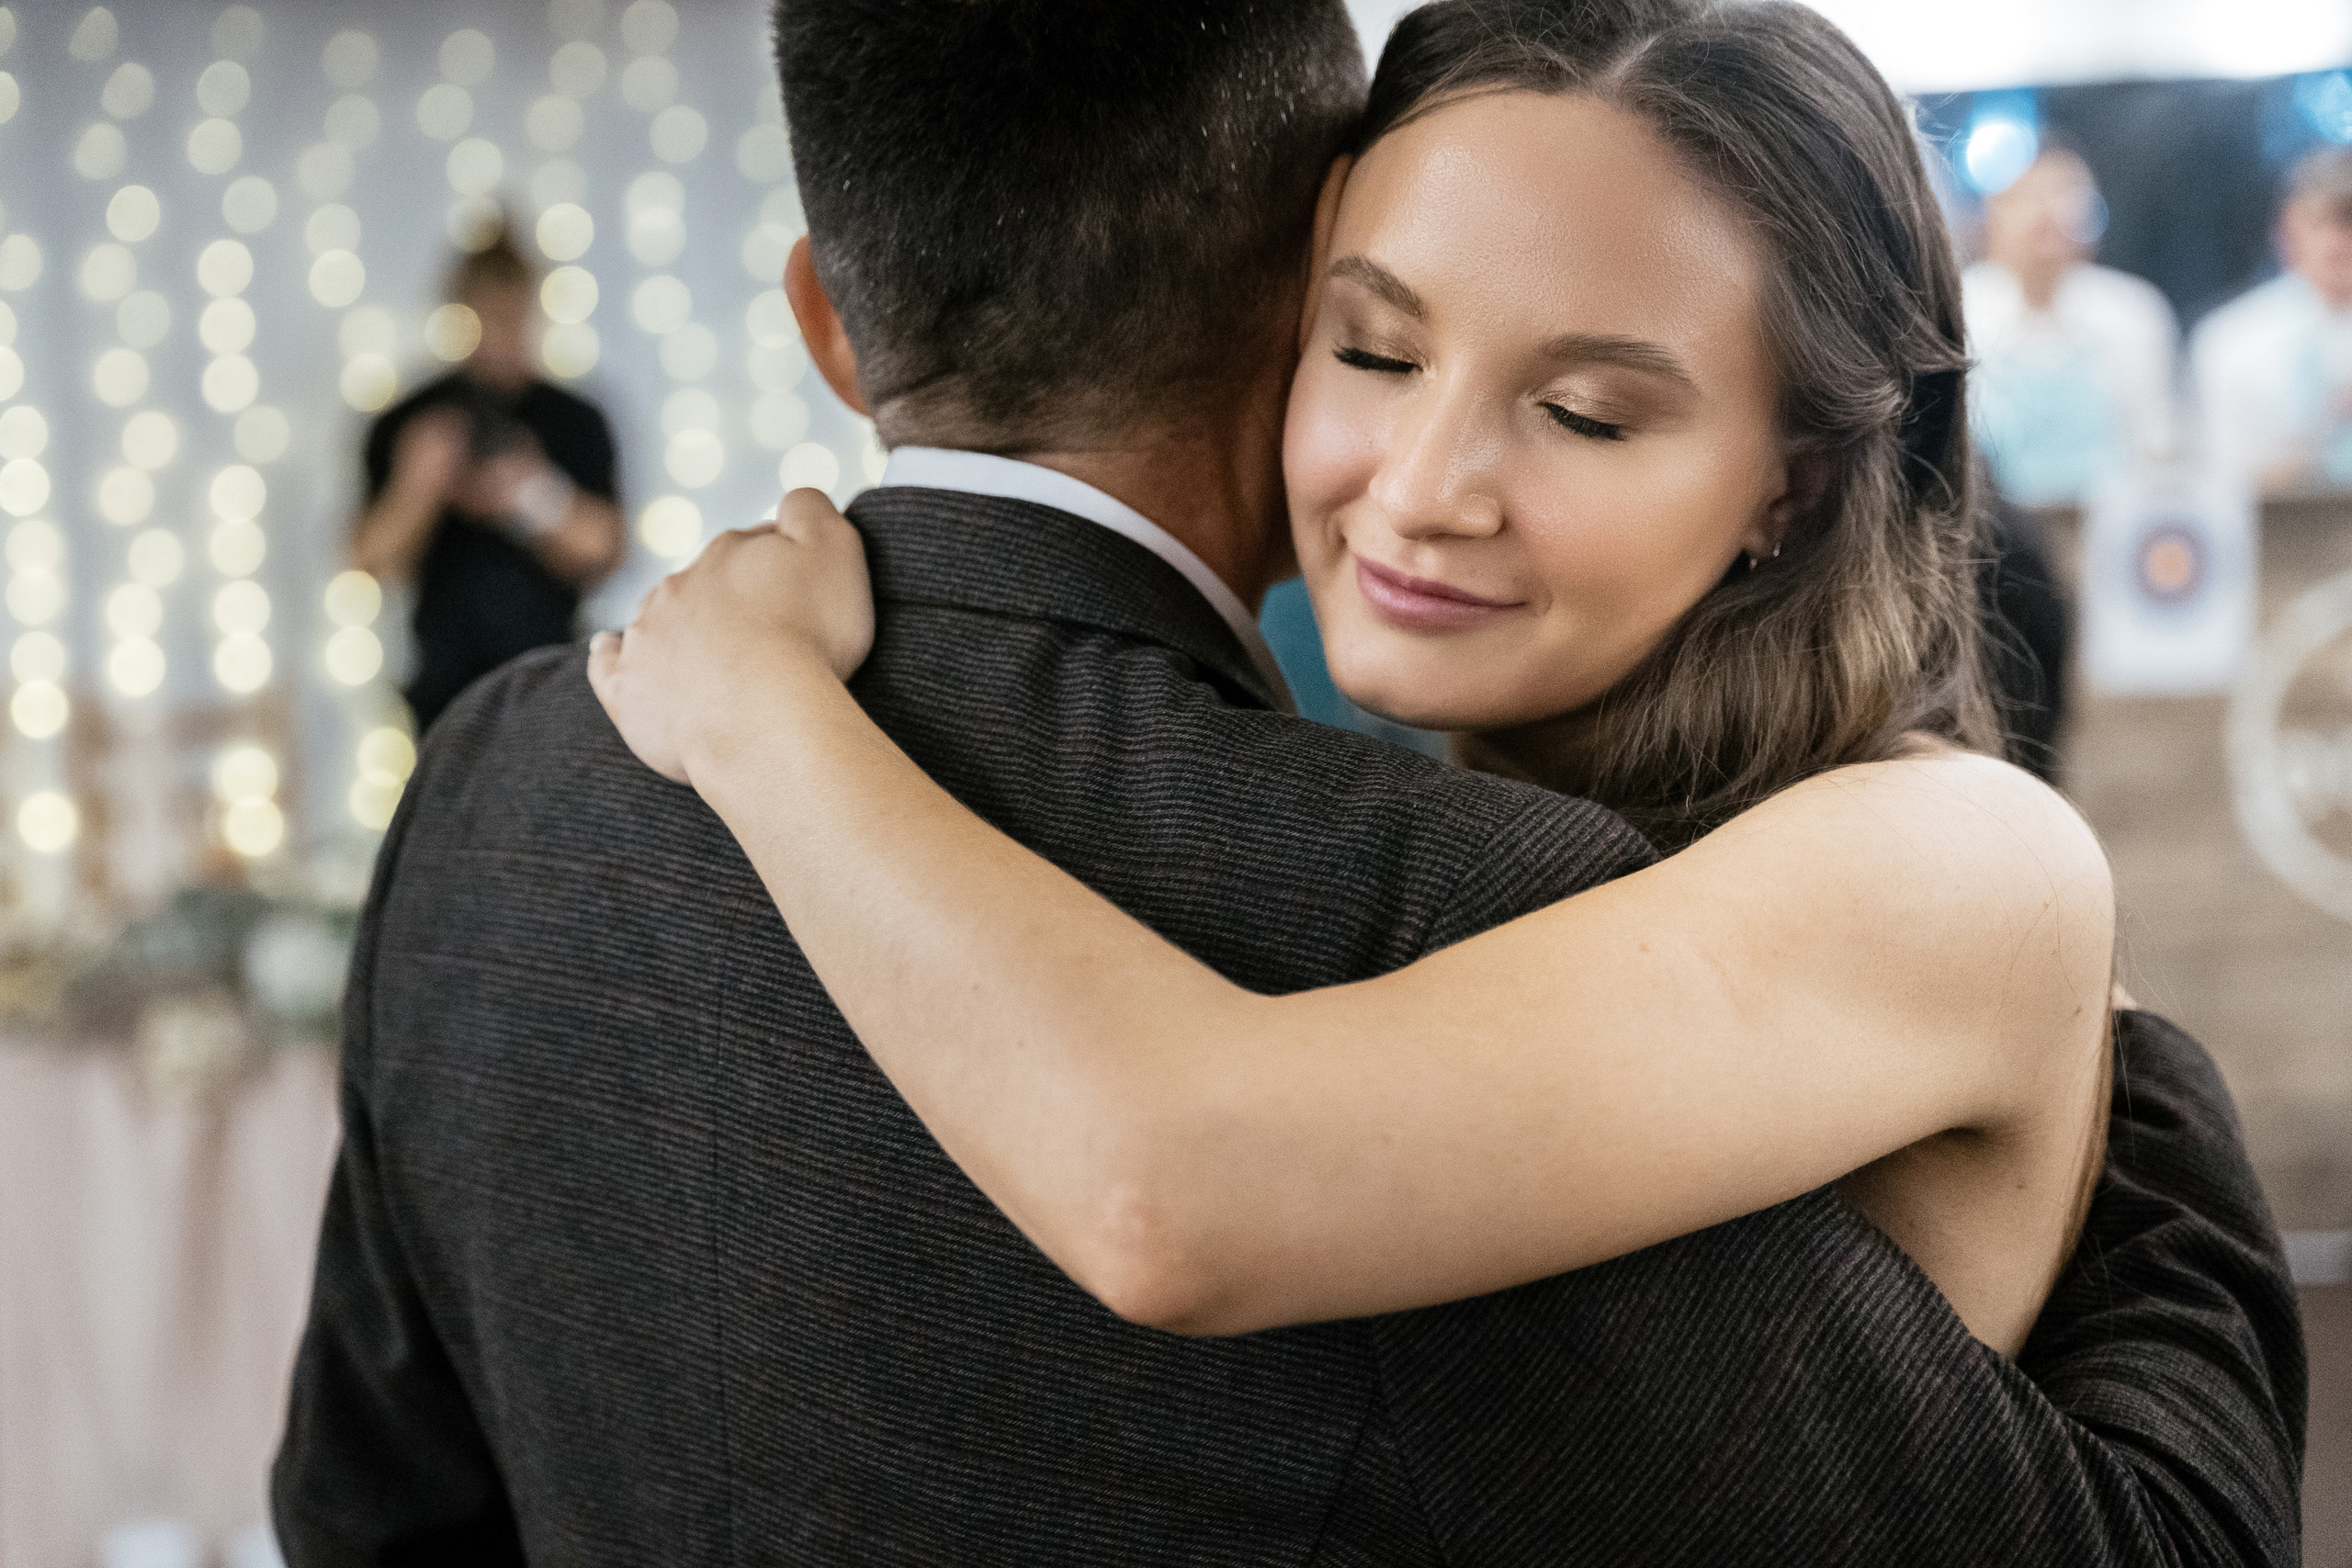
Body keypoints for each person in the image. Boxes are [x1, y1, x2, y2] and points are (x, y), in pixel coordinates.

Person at [277, 3, 2301, 1563]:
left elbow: (1174, 1186)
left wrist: (764, 719)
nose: (1422, 487)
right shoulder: (1392, 838)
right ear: (1276, 325)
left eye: (1585, 409)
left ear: (1788, 483)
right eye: (1376, 348)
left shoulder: (1949, 853)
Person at [349, 227, 626, 729]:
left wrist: (530, 493)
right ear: (461, 309)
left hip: (558, 687)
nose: (502, 331)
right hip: (444, 698)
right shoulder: (409, 421)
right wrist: (420, 484)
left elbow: (605, 551)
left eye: (513, 315)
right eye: (488, 314)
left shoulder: (576, 419)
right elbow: (368, 561)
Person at [1964, 148, 2181, 506]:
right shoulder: (1958, 315)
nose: (2047, 213)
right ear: (1992, 214)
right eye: (2029, 197)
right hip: (1992, 536)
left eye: (2065, 195)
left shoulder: (2133, 315)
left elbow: (2157, 450)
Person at [2191, 145, 2352, 496]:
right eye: (2323, 221)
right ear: (2287, 227)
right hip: (2279, 540)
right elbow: (2219, 486)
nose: (2338, 241)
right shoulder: (2231, 341)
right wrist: (2326, 428)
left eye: (2350, 222)